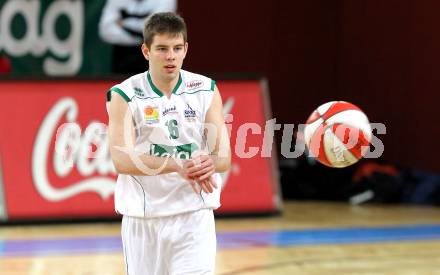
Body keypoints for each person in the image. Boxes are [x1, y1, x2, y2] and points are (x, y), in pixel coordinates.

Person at [106, 12, 231, 275]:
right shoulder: (124, 94)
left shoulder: (205, 89)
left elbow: (223, 157)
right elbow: (121, 159)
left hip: (194, 216)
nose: (170, 56)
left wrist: (209, 162)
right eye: (162, 49)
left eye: (176, 48)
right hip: (144, 219)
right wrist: (178, 165)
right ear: (146, 51)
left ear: (185, 49)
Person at [99, 0, 177, 74]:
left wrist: (123, 24)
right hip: (122, 59)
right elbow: (106, 31)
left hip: (154, 57)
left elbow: (157, 29)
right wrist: (143, 34)